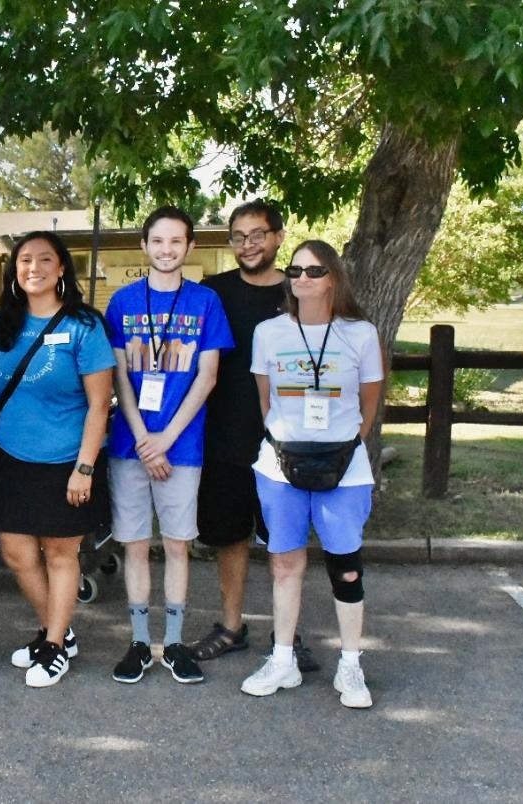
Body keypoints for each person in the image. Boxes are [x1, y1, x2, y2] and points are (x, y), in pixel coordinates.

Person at [240, 240, 384, 709]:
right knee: (285, 563)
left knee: (345, 567)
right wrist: (290, 437)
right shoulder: (269, 333)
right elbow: (265, 400)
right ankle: (283, 660)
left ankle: (351, 664)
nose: (302, 278)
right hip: (280, 464)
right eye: (295, 270)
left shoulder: (360, 334)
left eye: (314, 271)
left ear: (333, 278)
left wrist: (343, 442)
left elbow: (369, 403)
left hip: (344, 465)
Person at [105, 206, 232, 685]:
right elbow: (119, 374)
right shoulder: (122, 301)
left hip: (182, 446)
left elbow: (208, 375)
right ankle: (140, 643)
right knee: (136, 546)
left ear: (190, 246)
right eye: (157, 241)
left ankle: (174, 643)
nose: (166, 250)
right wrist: (144, 439)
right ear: (144, 246)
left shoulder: (205, 302)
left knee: (178, 545)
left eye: (176, 241)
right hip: (130, 446)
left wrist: (166, 439)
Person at [190, 200, 319, 673]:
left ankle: (289, 636)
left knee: (284, 541)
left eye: (257, 235)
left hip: (287, 440)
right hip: (224, 436)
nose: (248, 245)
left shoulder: (299, 290)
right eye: (239, 236)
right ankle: (231, 628)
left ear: (279, 237)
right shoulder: (214, 292)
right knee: (230, 537)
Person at [0, 230, 115, 688]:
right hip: (10, 458)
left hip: (67, 460)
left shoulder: (84, 325)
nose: (34, 268)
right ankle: (58, 631)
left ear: (61, 268)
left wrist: (85, 467)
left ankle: (54, 646)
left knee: (61, 554)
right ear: (14, 269)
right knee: (16, 553)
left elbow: (99, 405)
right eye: (25, 259)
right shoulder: (1, 325)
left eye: (45, 259)